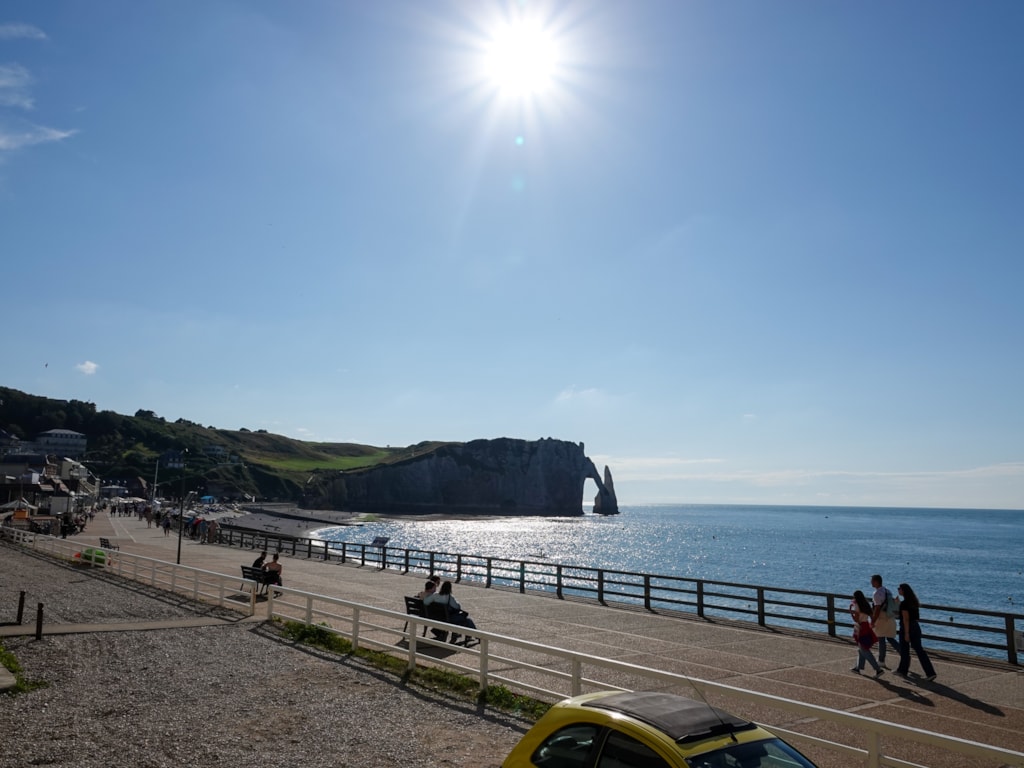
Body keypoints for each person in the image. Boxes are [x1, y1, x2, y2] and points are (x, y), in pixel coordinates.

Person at [894, 583, 937, 682]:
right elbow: (915, 617)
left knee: (905, 649)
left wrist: (906, 633)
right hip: (915, 627)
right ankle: (930, 672)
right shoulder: (914, 602)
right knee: (919, 650)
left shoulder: (904, 604)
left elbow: (905, 619)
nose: (898, 590)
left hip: (907, 627)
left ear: (903, 591)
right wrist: (899, 604)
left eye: (899, 588)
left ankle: (902, 670)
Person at [429, 580, 478, 646]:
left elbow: (427, 602)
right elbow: (458, 607)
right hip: (447, 619)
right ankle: (477, 635)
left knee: (463, 619)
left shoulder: (435, 595)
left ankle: (461, 634)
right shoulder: (449, 597)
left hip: (437, 617)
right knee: (468, 620)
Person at [850, 590, 883, 677]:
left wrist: (852, 613)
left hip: (859, 626)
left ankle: (878, 669)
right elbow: (872, 615)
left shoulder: (856, 606)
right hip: (866, 625)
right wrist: (872, 623)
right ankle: (858, 667)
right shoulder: (866, 604)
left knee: (864, 649)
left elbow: (856, 619)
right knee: (861, 648)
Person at [870, 574, 901, 668]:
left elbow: (877, 609)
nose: (871, 582)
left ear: (876, 582)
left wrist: (873, 621)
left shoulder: (876, 594)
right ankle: (904, 653)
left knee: (881, 638)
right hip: (890, 617)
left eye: (872, 581)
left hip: (882, 618)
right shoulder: (888, 591)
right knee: (890, 638)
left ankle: (881, 660)